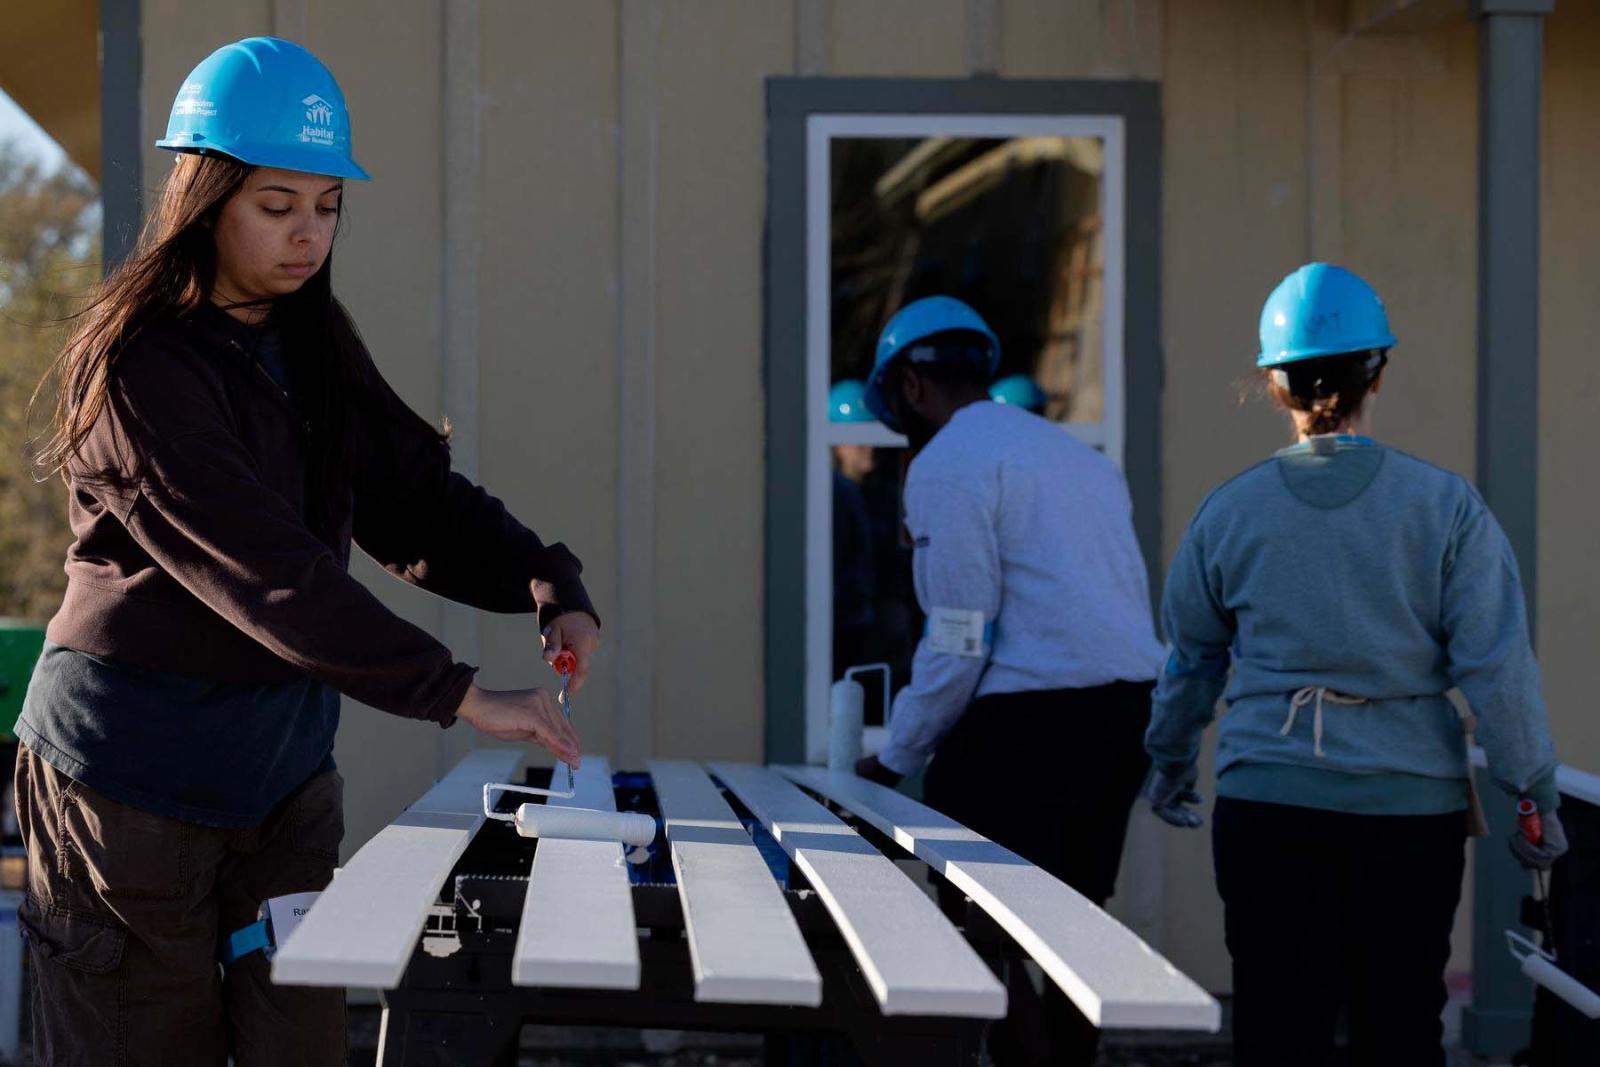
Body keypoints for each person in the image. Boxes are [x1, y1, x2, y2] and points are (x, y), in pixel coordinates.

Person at [16, 37, 598, 1066]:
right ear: (206, 196)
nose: (307, 235)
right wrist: (458, 688)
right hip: (128, 786)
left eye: (326, 207)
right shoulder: (139, 367)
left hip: (278, 779)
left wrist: (547, 583)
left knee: (299, 1041)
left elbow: (412, 500)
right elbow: (265, 571)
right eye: (276, 206)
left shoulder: (313, 343)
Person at [1143, 263, 1566, 1067]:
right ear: (1380, 370)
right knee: (1401, 1027)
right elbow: (1499, 673)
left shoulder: (1228, 511)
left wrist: (1168, 764)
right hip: (1409, 814)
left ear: (1274, 382)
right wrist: (1532, 798)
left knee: (1278, 1028)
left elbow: (1192, 665)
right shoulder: (1444, 506)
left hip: (1268, 802)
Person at [852, 296, 1165, 1067]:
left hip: (1029, 723)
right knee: (1077, 923)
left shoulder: (947, 464)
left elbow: (959, 639)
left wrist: (895, 756)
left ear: (911, 389)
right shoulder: (1079, 459)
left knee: (979, 925)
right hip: (1127, 713)